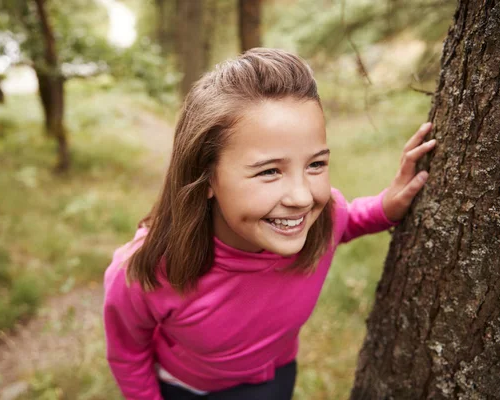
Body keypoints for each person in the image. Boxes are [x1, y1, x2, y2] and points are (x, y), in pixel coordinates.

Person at [102, 48, 436, 400]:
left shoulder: (321, 219)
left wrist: (386, 207)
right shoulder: (147, 269)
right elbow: (128, 354)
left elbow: (347, 219)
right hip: (186, 389)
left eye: (316, 165)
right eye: (269, 171)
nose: (302, 197)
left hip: (273, 379)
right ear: (206, 178)